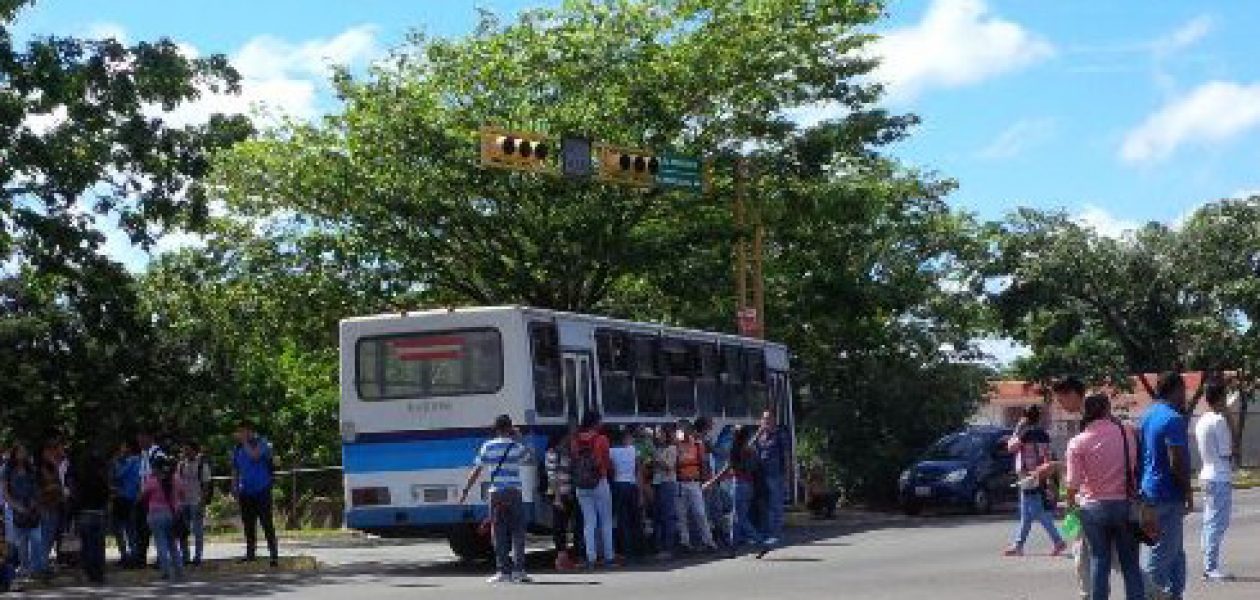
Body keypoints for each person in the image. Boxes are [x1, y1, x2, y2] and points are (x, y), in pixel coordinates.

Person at [1064, 394, 1144, 600]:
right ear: (1108, 409)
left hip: (1093, 508)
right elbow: (1136, 465)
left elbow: (1072, 484)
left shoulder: (1077, 442)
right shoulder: (1127, 433)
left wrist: (1071, 509)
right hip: (1124, 505)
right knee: (1131, 566)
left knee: (1099, 561)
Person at [458, 414, 533, 584]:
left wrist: (465, 490)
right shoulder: (516, 446)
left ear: (496, 429)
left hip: (496, 493)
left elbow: (477, 470)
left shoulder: (488, 446)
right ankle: (519, 571)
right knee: (517, 532)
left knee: (498, 532)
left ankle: (502, 572)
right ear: (510, 428)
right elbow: (529, 457)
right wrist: (520, 438)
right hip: (514, 492)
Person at [1139, 372, 1193, 600]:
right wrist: (1187, 490)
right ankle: (1151, 595)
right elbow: (1176, 461)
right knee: (1162, 555)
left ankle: (1175, 595)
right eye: (1184, 390)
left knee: (1175, 553)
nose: (1185, 395)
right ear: (1176, 389)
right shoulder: (1173, 418)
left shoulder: (1147, 416)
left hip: (1149, 491)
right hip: (1168, 494)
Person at [1003, 405, 1067, 557]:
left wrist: (1017, 429)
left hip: (1028, 475)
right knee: (1026, 512)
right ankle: (1018, 545)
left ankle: (1058, 541)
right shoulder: (1043, 434)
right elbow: (1048, 454)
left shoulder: (1025, 433)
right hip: (1041, 473)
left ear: (1024, 417)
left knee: (1038, 511)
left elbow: (1011, 448)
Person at [1194, 380, 1234, 582]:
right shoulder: (1218, 421)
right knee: (1218, 522)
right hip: (1219, 475)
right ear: (1220, 398)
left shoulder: (1202, 420)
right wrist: (1230, 420)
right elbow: (1228, 450)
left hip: (1207, 473)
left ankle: (1208, 563)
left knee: (1210, 520)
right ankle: (1211, 567)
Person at [706, 426, 766, 552]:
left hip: (739, 485)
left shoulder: (735, 450)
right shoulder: (750, 450)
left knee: (740, 519)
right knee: (736, 517)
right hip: (749, 485)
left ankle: (760, 542)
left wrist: (710, 482)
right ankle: (732, 548)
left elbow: (725, 470)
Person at [232, 421, 279, 567]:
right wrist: (234, 486)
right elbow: (235, 468)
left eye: (242, 431)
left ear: (249, 431)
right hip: (246, 491)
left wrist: (246, 442)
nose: (239, 435)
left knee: (266, 523)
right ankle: (250, 554)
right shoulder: (237, 448)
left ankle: (273, 554)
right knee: (248, 524)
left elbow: (255, 456)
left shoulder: (262, 443)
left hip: (262, 489)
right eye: (238, 432)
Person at [572, 412, 615, 568]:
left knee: (589, 522)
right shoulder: (601, 439)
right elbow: (607, 461)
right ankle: (608, 557)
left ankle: (591, 558)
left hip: (581, 485)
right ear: (595, 422)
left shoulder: (575, 440)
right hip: (599, 482)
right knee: (605, 521)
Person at [3, 444, 48, 582]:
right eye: (19, 452)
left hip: (32, 507)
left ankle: (36, 569)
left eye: (24, 451)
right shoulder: (8, 469)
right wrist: (15, 506)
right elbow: (5, 492)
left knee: (36, 539)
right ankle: (24, 568)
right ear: (14, 454)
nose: (22, 454)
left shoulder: (31, 469)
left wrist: (36, 502)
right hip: (16, 508)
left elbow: (37, 488)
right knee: (21, 541)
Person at [140, 454, 186, 581]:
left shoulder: (152, 481)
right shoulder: (175, 478)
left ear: (155, 467)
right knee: (172, 544)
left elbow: (143, 496)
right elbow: (183, 493)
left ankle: (165, 571)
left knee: (161, 543)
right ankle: (179, 570)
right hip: (172, 514)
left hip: (156, 514)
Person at [676, 420, 718, 552]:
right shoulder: (676, 446)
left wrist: (707, 481)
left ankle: (709, 541)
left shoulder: (697, 445)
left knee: (700, 513)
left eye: (682, 430)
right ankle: (684, 542)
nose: (680, 432)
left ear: (689, 430)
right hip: (680, 483)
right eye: (679, 430)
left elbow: (703, 464)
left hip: (694, 483)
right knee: (681, 515)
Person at [70, 447, 111, 585]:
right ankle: (99, 573)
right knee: (98, 545)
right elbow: (106, 496)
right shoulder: (102, 479)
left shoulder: (82, 478)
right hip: (99, 514)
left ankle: (90, 572)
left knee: (87, 546)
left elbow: (77, 498)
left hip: (85, 514)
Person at [544, 426, 581, 570]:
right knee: (559, 526)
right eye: (568, 436)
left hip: (568, 493)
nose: (570, 438)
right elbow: (553, 477)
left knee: (566, 526)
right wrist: (558, 498)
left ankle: (565, 557)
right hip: (559, 495)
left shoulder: (565, 453)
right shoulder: (553, 454)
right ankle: (561, 559)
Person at [753, 411, 788, 546]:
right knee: (765, 505)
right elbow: (750, 447)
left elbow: (785, 456)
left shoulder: (779, 435)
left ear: (774, 420)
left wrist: (786, 474)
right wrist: (758, 433)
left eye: (768, 418)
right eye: (763, 419)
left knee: (775, 505)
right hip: (762, 475)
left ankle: (776, 534)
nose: (765, 421)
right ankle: (767, 532)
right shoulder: (760, 436)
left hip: (776, 474)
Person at [609, 427, 644, 560]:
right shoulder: (634, 450)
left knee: (622, 519)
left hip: (618, 485)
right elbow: (639, 472)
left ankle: (626, 550)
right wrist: (641, 494)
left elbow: (610, 469)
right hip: (632, 486)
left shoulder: (611, 451)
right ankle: (639, 550)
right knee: (635, 519)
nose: (632, 440)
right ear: (625, 439)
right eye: (631, 438)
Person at [177, 442, 213, 567]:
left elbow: (206, 486)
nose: (185, 452)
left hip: (196, 501)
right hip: (184, 502)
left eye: (188, 449)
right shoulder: (181, 465)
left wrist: (202, 503)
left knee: (197, 530)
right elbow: (178, 484)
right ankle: (185, 556)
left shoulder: (202, 465)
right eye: (184, 450)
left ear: (194, 450)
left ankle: (197, 556)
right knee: (183, 531)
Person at [134, 430, 164, 567]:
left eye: (142, 438)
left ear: (149, 438)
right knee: (142, 529)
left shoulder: (158, 454)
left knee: (157, 529)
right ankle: (140, 558)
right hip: (144, 498)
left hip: (154, 498)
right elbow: (142, 477)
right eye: (138, 439)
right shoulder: (143, 455)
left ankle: (161, 558)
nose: (139, 442)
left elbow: (160, 477)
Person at [109, 441, 141, 567]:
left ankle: (127, 556)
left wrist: (116, 463)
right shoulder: (138, 461)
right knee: (130, 529)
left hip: (124, 498)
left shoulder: (131, 461)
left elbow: (118, 475)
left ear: (128, 448)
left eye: (123, 447)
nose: (121, 450)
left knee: (121, 529)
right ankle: (132, 555)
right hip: (131, 498)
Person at [651, 424, 679, 559]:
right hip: (656, 483)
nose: (658, 436)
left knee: (668, 516)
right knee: (657, 516)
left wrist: (657, 458)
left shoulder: (671, 448)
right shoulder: (657, 448)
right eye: (657, 434)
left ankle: (669, 547)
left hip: (667, 483)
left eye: (660, 433)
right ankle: (658, 547)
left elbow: (669, 467)